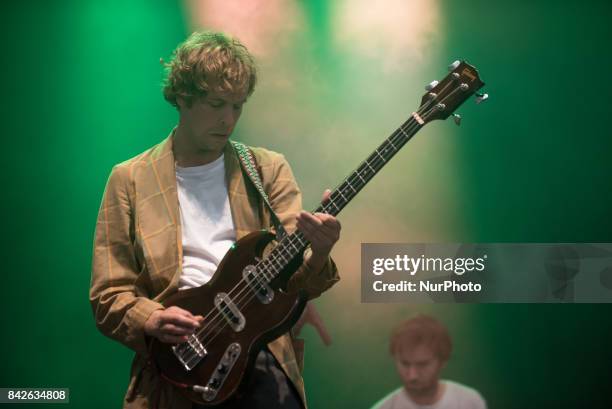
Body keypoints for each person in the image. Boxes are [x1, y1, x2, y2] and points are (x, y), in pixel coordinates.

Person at [89, 31, 341, 409]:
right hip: (177, 366)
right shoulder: (129, 179)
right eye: (216, 103)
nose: (228, 120)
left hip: (258, 356)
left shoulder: (267, 169)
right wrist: (152, 318)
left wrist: (319, 253)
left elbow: (296, 279)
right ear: (182, 97)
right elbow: (108, 293)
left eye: (237, 106)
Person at [371, 314, 486, 409]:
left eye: (423, 364)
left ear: (442, 362)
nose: (412, 375)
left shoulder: (470, 402)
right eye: (405, 364)